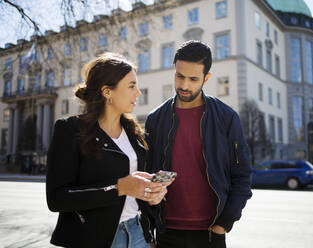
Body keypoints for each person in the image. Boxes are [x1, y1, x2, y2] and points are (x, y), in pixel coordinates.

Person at [46, 53, 170, 248]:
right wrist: (119, 187)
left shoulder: (134, 132)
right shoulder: (70, 130)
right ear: (107, 91)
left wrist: (151, 195)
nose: (138, 92)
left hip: (138, 233)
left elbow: (135, 192)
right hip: (96, 239)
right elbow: (57, 199)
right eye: (131, 86)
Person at [145, 40, 253, 248]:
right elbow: (147, 174)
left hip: (211, 233)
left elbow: (242, 175)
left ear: (207, 78)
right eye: (179, 76)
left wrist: (224, 223)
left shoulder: (226, 117)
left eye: (193, 79)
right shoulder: (155, 119)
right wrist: (150, 231)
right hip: (166, 233)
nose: (184, 85)